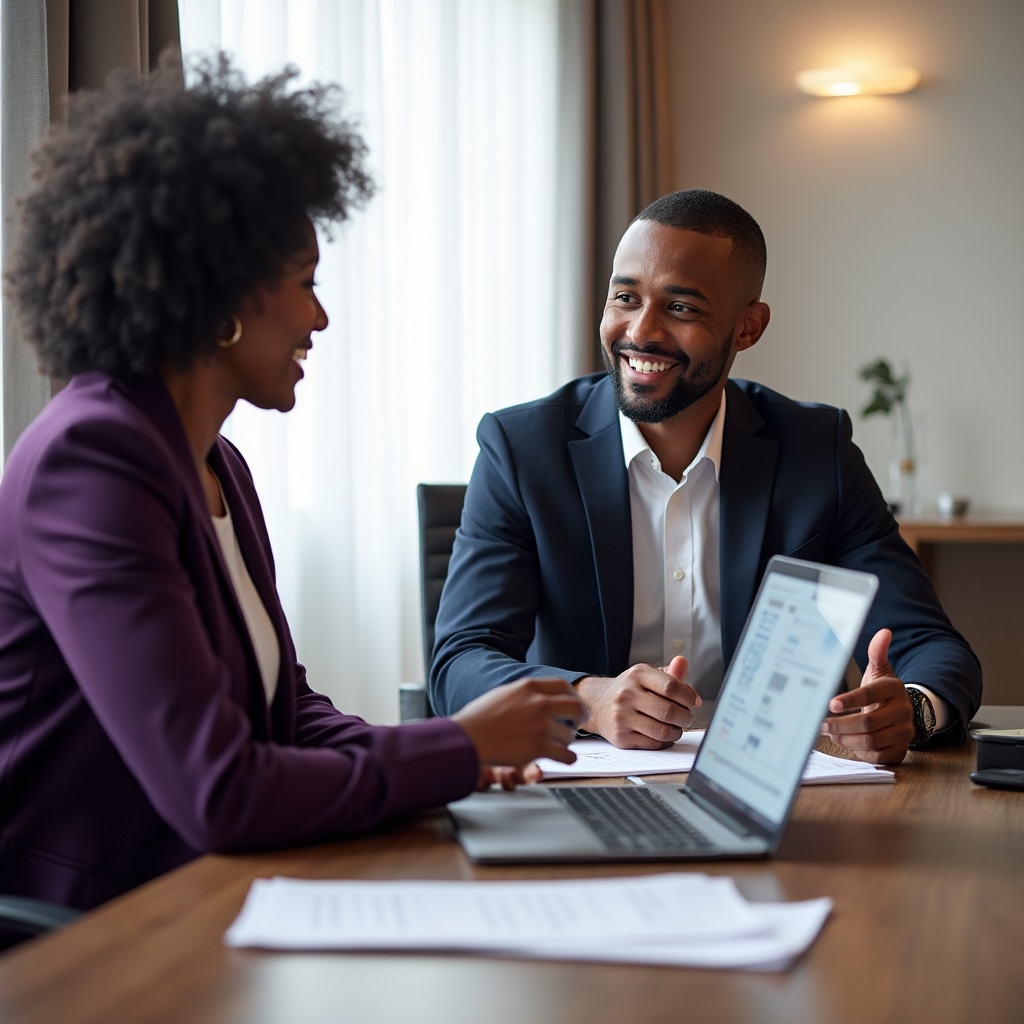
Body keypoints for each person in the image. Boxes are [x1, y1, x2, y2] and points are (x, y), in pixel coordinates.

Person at [0, 53, 583, 928]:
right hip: (88, 930)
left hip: (201, 892)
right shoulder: (92, 462)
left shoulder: (214, 463)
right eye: (306, 284)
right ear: (225, 299)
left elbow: (288, 714)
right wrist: (459, 747)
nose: (320, 318)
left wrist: (460, 755)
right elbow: (220, 789)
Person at [429, 188, 982, 766]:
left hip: (770, 788)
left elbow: (933, 645)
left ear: (748, 327)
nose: (640, 332)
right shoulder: (521, 450)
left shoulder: (816, 452)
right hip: (581, 784)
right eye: (625, 297)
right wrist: (587, 698)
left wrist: (911, 710)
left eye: (681, 308)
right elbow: (462, 661)